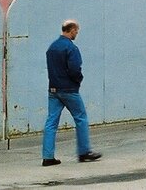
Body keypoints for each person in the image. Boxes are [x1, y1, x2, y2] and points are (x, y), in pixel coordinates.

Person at [41, 19, 101, 166]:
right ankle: (84, 152)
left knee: (51, 122)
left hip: (53, 89)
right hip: (69, 90)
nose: (77, 33)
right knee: (81, 118)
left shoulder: (52, 48)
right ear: (72, 30)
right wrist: (78, 81)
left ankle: (48, 157)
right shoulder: (71, 48)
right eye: (76, 31)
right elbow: (75, 69)